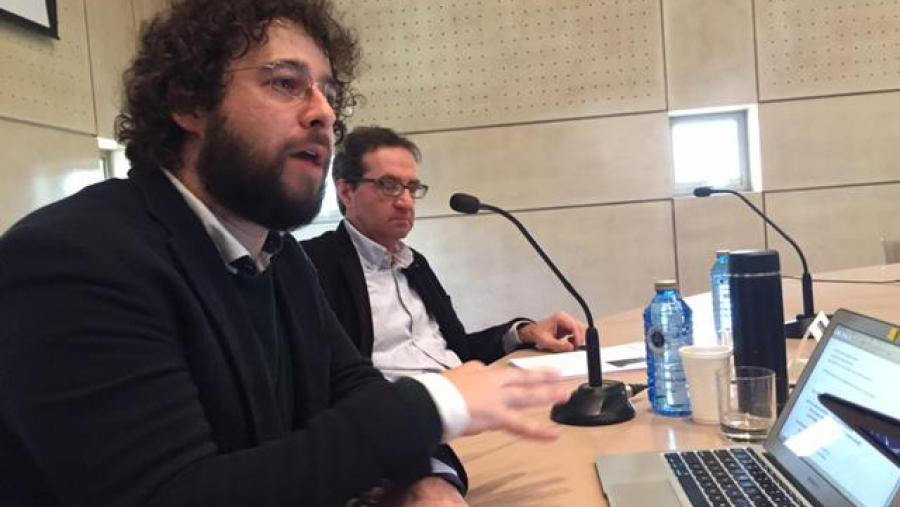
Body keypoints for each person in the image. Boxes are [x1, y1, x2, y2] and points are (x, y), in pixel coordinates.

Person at [0, 1, 571, 506]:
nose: (324, 113)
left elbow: (352, 387)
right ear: (189, 102)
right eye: (285, 83)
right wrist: (434, 406)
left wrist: (430, 477)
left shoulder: (279, 254)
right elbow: (173, 493)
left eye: (329, 91)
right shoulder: (71, 260)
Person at [302, 126, 587, 380]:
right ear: (346, 192)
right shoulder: (312, 266)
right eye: (388, 186)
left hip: (462, 399)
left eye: (411, 188)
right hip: (405, 421)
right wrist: (439, 395)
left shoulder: (415, 264)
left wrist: (524, 332)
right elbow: (326, 379)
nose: (404, 201)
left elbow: (456, 348)